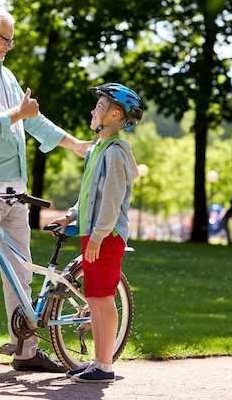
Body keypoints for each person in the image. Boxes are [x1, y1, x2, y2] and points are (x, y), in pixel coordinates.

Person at [0, 5, 89, 377]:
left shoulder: (5, 75)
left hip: (15, 193)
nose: (9, 46)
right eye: (5, 38)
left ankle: (26, 350)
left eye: (12, 39)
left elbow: (33, 119)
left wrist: (75, 145)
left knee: (20, 272)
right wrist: (16, 116)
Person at [50, 82, 144, 383]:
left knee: (103, 300)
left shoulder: (115, 154)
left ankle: (105, 366)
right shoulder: (97, 150)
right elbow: (90, 194)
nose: (94, 110)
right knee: (93, 298)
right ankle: (98, 363)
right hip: (94, 234)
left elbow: (112, 200)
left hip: (107, 236)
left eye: (100, 106)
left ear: (116, 116)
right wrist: (72, 215)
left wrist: (101, 235)